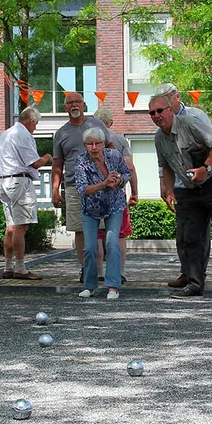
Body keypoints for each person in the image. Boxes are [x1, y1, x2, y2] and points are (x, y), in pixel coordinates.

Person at [149, 93, 212, 299]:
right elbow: (165, 166)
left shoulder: (191, 123)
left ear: (170, 110)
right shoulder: (159, 138)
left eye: (160, 110)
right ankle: (195, 284)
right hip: (188, 190)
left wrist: (205, 167)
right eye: (152, 113)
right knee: (191, 238)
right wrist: (168, 191)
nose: (156, 115)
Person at [154, 83, 211, 289]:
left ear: (177, 97)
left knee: (199, 234)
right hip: (180, 184)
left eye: (167, 101)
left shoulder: (196, 116)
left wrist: (205, 170)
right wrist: (164, 184)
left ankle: (198, 274)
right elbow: (164, 159)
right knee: (183, 234)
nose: (160, 109)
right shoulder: (162, 122)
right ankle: (187, 273)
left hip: (202, 182)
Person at [51, 92, 110, 282]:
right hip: (74, 187)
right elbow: (57, 164)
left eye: (77, 102)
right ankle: (86, 269)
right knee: (80, 230)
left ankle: (99, 270)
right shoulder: (61, 133)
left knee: (99, 229)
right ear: (65, 107)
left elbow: (111, 150)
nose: (74, 105)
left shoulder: (97, 124)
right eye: (70, 103)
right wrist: (54, 190)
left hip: (99, 185)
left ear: (84, 105)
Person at [74, 127, 131, 300]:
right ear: (85, 145)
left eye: (97, 143)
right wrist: (105, 183)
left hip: (114, 205)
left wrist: (119, 180)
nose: (94, 147)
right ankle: (89, 286)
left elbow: (127, 173)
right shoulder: (80, 161)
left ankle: (113, 286)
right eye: (89, 144)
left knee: (112, 243)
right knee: (90, 247)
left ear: (103, 143)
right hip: (90, 208)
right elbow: (83, 189)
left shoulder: (114, 155)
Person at [0, 106, 52, 280]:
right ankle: (20, 268)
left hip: (4, 181)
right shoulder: (23, 134)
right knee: (21, 227)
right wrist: (48, 157)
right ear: (31, 120)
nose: (35, 128)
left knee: (10, 226)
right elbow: (34, 163)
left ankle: (8, 267)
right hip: (19, 182)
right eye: (36, 124)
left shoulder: (5, 134)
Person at [93, 107, 138, 283]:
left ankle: (98, 273)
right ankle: (120, 272)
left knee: (96, 234)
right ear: (111, 123)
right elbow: (130, 168)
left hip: (94, 193)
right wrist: (134, 192)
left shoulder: (90, 141)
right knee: (119, 234)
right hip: (116, 194)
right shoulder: (120, 140)